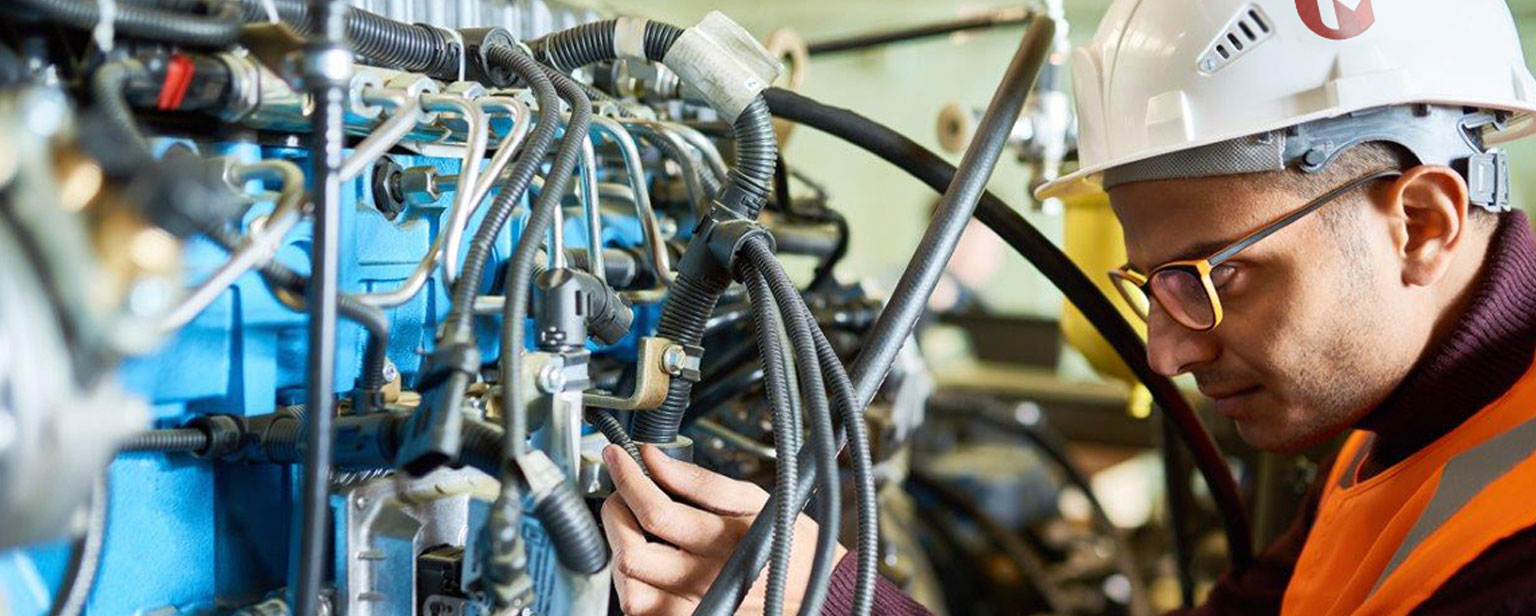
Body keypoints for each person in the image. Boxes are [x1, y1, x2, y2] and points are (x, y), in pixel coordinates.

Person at [598, 0, 1536, 614]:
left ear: (1420, 222)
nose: (1164, 352)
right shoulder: (1404, 423)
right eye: (1150, 282)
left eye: (1211, 276)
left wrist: (835, 598)